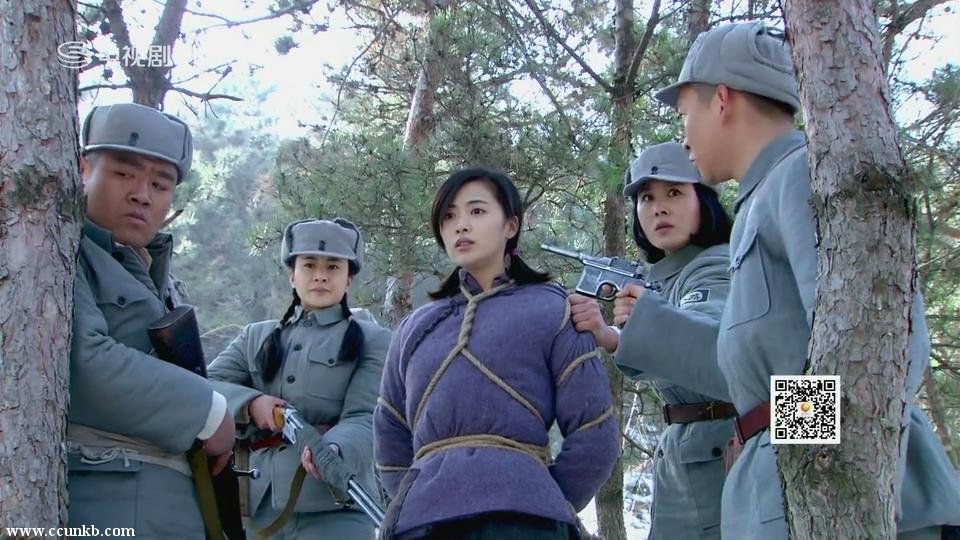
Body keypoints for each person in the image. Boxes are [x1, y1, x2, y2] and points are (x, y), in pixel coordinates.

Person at [655, 21, 960, 539]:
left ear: (722, 100)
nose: (683, 136)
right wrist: (758, 434)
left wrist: (779, 429)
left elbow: (882, 356)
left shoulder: (803, 177)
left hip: (851, 504)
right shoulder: (765, 196)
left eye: (685, 113)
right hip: (788, 494)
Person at [373, 167, 619, 539]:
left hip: (526, 523)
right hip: (423, 524)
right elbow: (389, 431)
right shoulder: (413, 328)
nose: (461, 225)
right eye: (449, 216)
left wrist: (541, 496)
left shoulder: (554, 309)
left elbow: (594, 429)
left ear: (510, 225)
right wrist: (414, 497)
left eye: (477, 211)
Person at [68, 103, 235, 538]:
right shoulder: (63, 254)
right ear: (84, 170)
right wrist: (209, 411)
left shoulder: (156, 277)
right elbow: (81, 364)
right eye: (124, 173)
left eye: (160, 184)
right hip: (107, 502)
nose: (142, 194)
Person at [569, 142, 734, 539]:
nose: (659, 208)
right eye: (646, 198)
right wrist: (611, 336)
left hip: (724, 453)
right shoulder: (674, 273)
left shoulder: (718, 263)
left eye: (674, 192)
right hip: (699, 453)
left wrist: (645, 318)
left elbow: (720, 357)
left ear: (704, 200)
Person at [207, 218, 389, 539]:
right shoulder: (255, 336)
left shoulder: (373, 339)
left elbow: (365, 417)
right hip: (257, 509)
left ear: (349, 279)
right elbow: (207, 385)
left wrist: (335, 448)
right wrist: (252, 404)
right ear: (292, 274)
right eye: (309, 265)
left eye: (333, 267)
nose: (320, 275)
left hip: (335, 507)